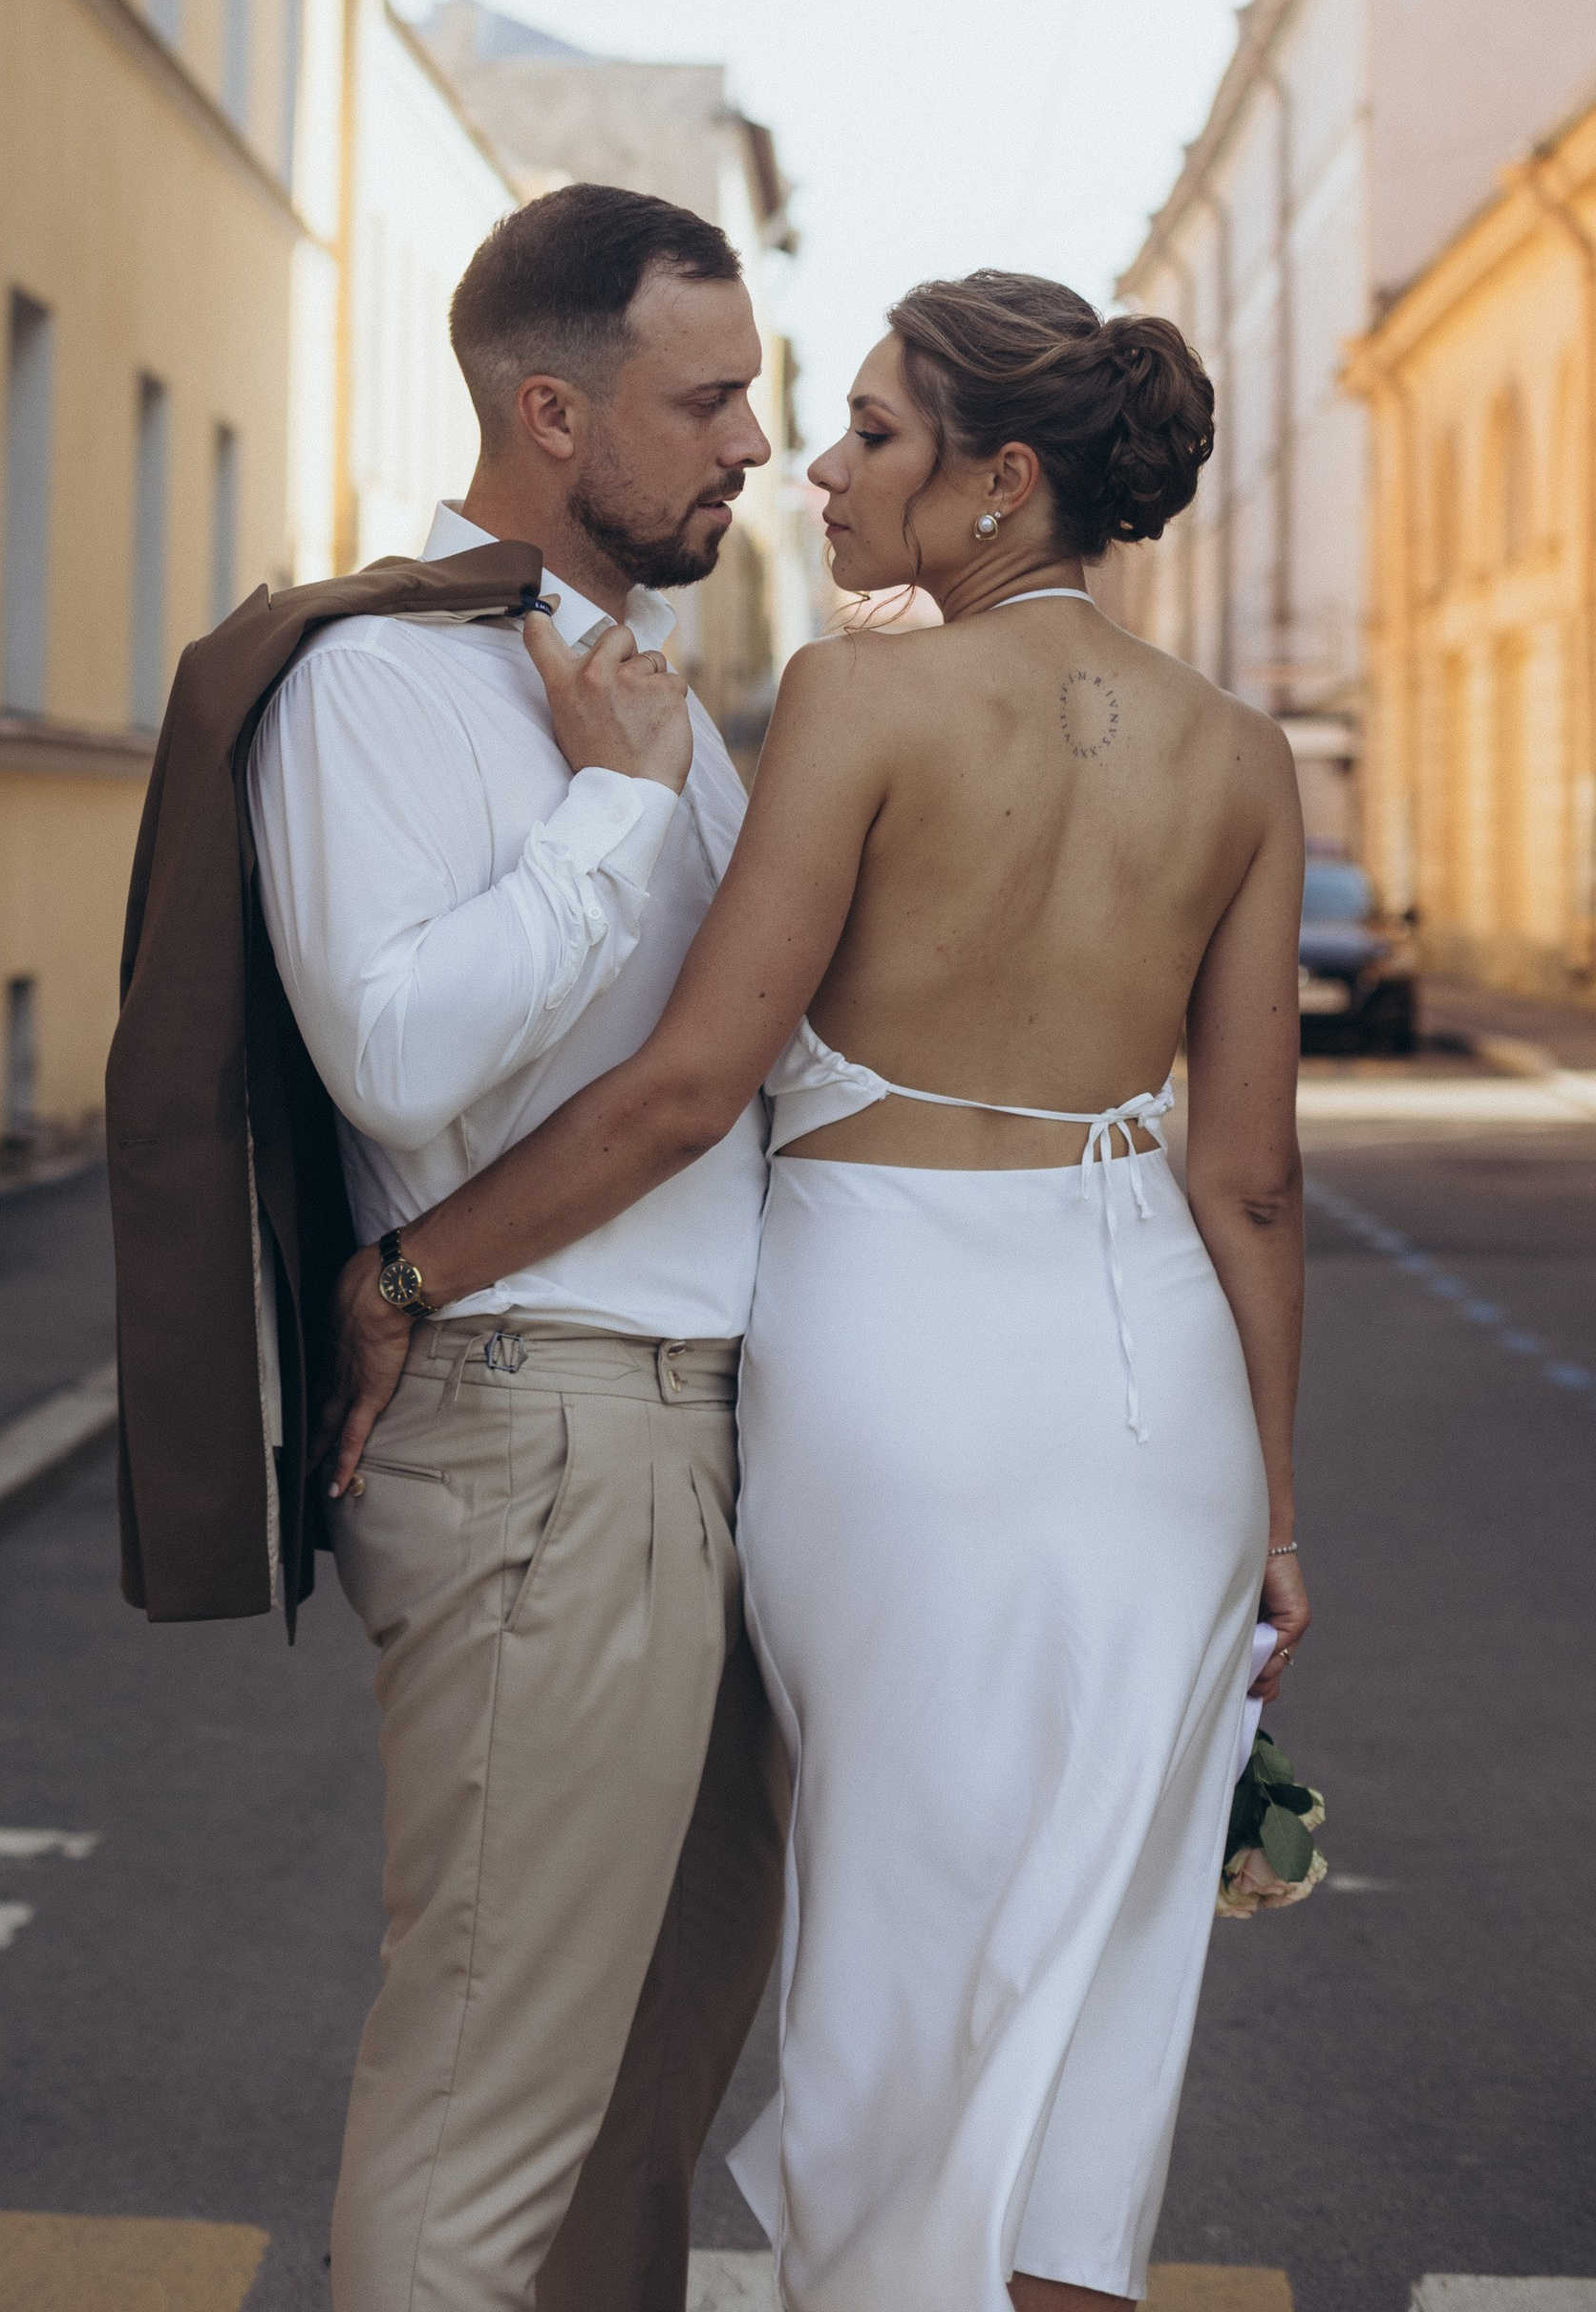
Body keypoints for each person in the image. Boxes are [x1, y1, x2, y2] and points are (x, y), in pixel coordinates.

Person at [327, 269, 1313, 2312]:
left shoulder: (859, 705)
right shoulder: (1241, 757)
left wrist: (411, 1268)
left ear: (1000, 476)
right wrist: (1277, 1517)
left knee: (889, 1937)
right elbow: (1248, 1180)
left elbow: (690, 1087)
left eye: (872, 433)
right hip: (1162, 1414)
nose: (823, 472)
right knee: (1091, 1998)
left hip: (898, 1388)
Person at [247, 183, 792, 2312]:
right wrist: (613, 812)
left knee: (640, 2099)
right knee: (489, 2104)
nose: (751, 441)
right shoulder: (375, 680)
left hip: (704, 1438)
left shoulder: (652, 699)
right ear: (552, 413)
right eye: (706, 399)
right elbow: (392, 1058)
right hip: (547, 1437)